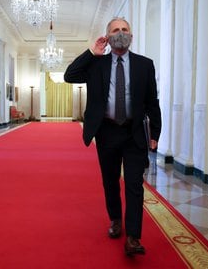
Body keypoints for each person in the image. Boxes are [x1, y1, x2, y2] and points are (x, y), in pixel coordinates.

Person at [64, 17, 162, 256]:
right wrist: (92, 51)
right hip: (106, 132)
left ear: (131, 35)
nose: (121, 33)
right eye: (115, 30)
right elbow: (69, 75)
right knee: (110, 182)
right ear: (108, 36)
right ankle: (116, 220)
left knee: (134, 184)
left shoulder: (144, 64)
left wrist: (155, 133)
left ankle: (133, 237)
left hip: (134, 133)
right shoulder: (97, 63)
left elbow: (152, 101)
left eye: (125, 29)